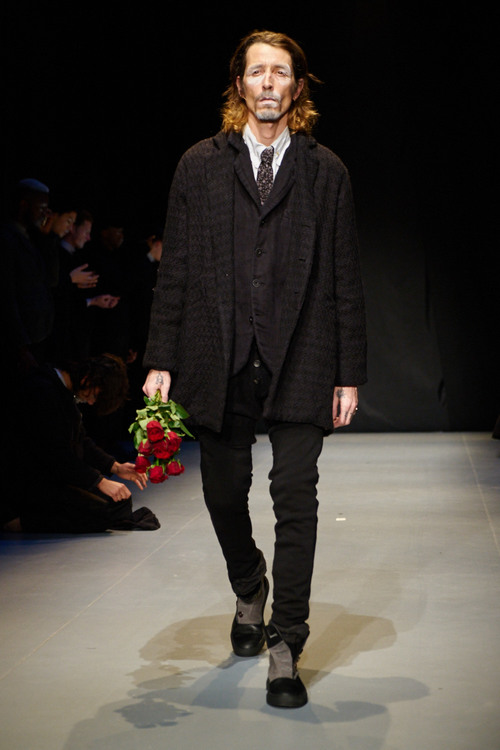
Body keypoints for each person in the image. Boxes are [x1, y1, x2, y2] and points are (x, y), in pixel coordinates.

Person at [142, 30, 367, 708]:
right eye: (257, 71)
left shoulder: (327, 171)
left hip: (302, 355)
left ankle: (286, 642)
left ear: (298, 87)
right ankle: (249, 585)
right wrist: (160, 357)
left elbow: (344, 276)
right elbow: (177, 269)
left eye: (282, 72)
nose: (269, 82)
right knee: (221, 493)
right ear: (239, 84)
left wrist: (349, 371)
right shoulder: (199, 166)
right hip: (219, 353)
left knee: (295, 497)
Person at [2, 353, 160, 534]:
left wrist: (115, 467)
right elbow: (55, 456)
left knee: (120, 502)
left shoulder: (64, 392)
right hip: (32, 482)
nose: (91, 402)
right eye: (94, 395)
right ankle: (22, 520)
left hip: (56, 476)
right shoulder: (42, 390)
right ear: (87, 379)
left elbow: (81, 440)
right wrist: (99, 481)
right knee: (105, 512)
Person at [1, 178, 55, 374]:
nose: (45, 214)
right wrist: (20, 347)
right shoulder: (7, 239)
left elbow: (51, 280)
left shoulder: (30, 239)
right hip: (18, 347)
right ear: (24, 205)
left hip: (35, 341)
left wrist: (47, 237)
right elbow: (6, 297)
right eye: (41, 208)